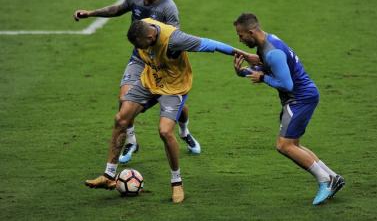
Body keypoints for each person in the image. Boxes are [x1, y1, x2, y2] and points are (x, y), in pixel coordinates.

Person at [85, 18, 259, 203]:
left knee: (165, 131)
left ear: (151, 37)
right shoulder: (142, 28)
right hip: (149, 81)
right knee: (121, 119)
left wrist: (246, 55)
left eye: (142, 45)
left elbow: (211, 44)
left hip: (174, 89)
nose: (141, 49)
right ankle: (109, 175)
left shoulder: (175, 40)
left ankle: (177, 182)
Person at [73, 0, 201, 164]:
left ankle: (184, 132)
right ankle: (132, 141)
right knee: (124, 100)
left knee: (177, 107)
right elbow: (117, 9)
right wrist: (90, 13)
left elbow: (174, 39)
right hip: (139, 59)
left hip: (162, 64)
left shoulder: (169, 9)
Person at [232, 13, 345, 205]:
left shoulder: (271, 53)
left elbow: (286, 84)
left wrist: (263, 79)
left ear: (251, 32)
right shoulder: (269, 41)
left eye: (241, 35)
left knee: (284, 145)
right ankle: (333, 177)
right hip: (304, 97)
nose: (239, 40)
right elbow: (269, 70)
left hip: (299, 99)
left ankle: (325, 181)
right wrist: (243, 72)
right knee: (294, 145)